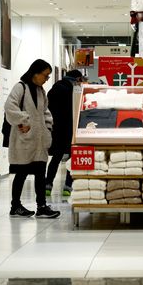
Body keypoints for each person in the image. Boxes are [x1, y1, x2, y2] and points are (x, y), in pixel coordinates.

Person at [4, 59, 60, 219]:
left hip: (39, 141)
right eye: (46, 75)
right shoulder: (20, 87)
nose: (47, 79)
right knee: (21, 173)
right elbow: (9, 107)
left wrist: (48, 128)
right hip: (24, 139)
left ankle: (41, 206)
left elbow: (45, 112)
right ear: (35, 73)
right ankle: (15, 206)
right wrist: (23, 120)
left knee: (40, 173)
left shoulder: (41, 91)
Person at [45, 69, 83, 197]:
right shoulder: (75, 90)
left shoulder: (55, 87)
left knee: (56, 158)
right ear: (77, 79)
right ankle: (68, 186)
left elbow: (47, 107)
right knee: (72, 158)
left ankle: (48, 185)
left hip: (56, 129)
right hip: (71, 129)